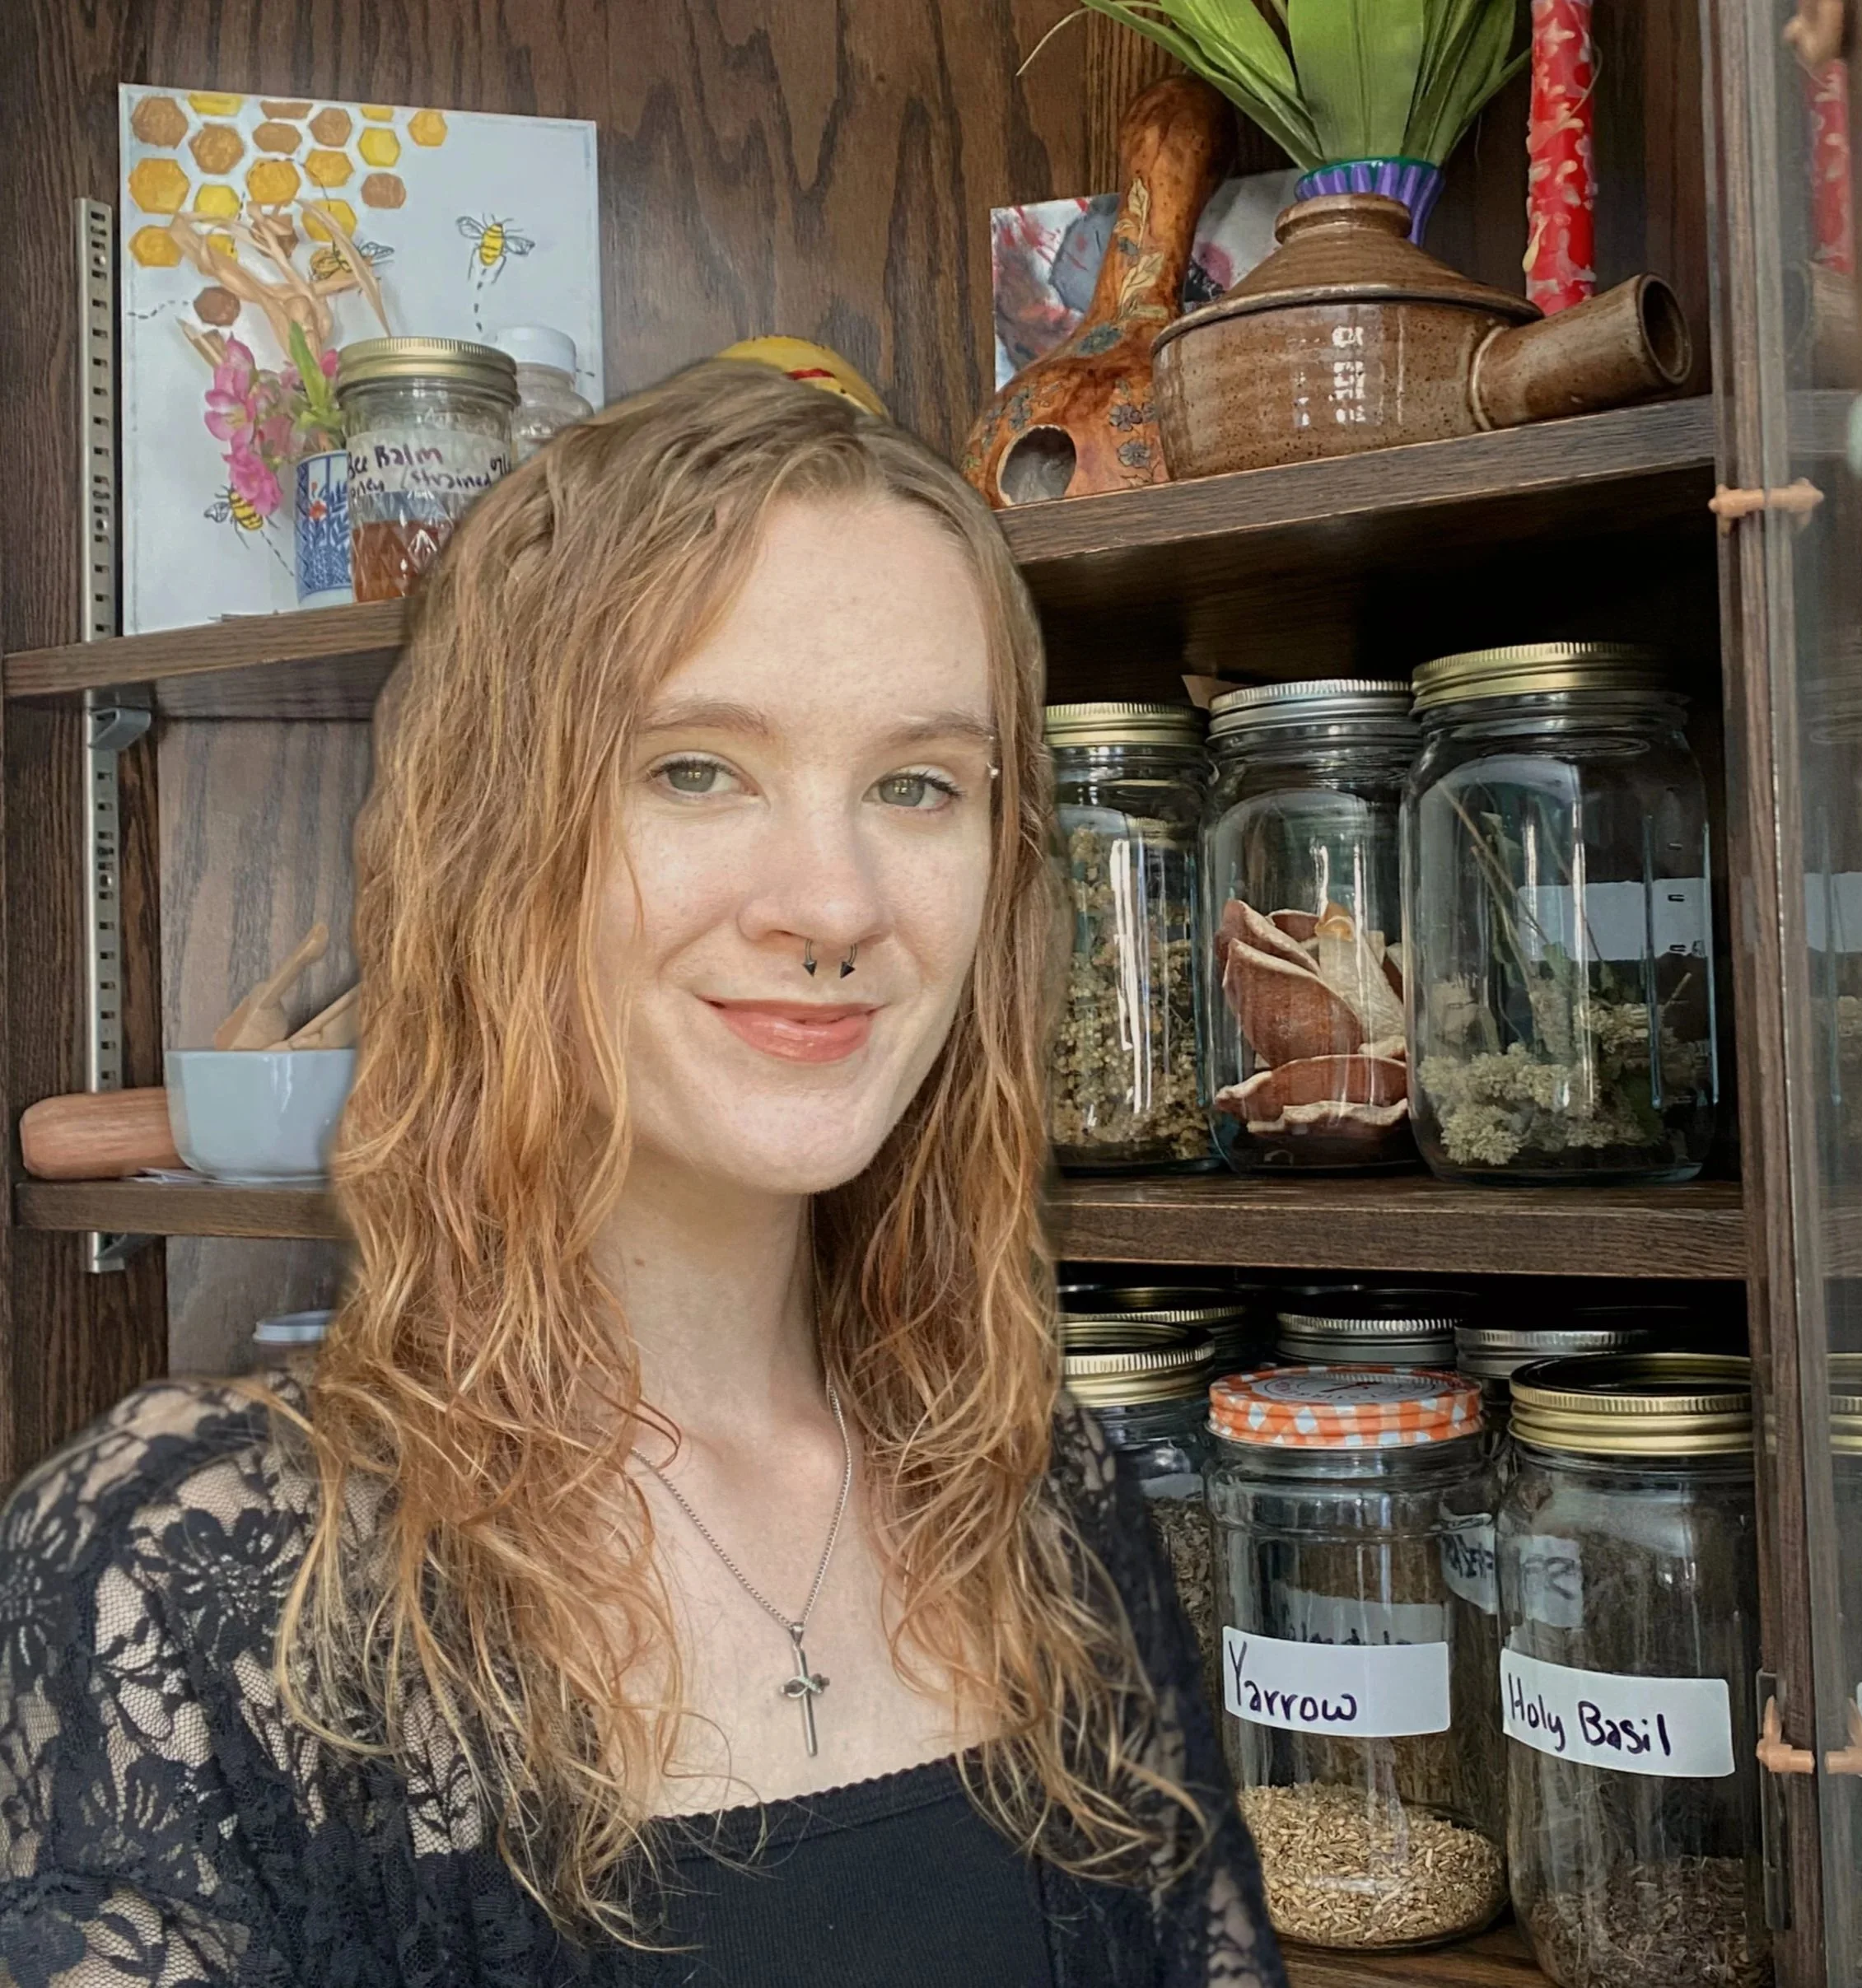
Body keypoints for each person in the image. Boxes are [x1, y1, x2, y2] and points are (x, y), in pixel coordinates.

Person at [0, 362, 1285, 1986]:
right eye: (696, 766)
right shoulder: (183, 1573)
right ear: (493, 848)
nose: (833, 903)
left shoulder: (1058, 1507)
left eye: (918, 785)